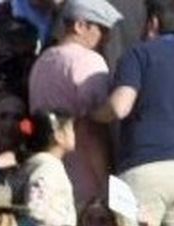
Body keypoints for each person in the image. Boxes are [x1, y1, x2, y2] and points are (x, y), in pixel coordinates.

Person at [93, 0, 174, 226]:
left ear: (153, 23)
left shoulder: (139, 54)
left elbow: (119, 107)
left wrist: (94, 113)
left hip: (146, 167)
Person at [28, 0, 120, 207]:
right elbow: (92, 130)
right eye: (102, 29)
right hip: (86, 181)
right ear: (80, 26)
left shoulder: (42, 62)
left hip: (49, 175)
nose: (107, 38)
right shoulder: (89, 61)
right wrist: (107, 183)